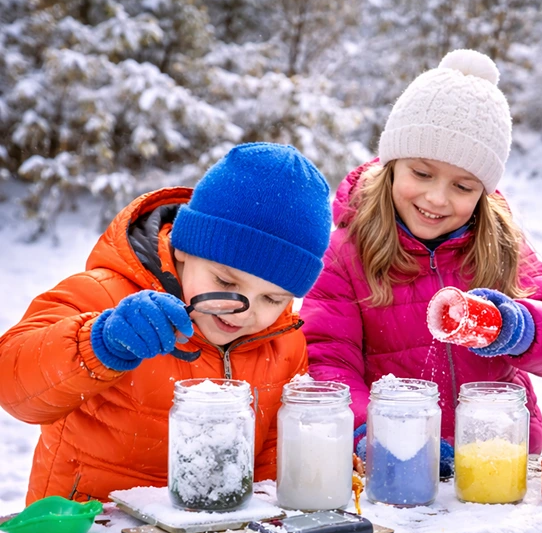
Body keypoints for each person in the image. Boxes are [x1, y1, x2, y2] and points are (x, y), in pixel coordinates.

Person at [301, 49, 542, 465]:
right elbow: (328, 362)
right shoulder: (345, 255)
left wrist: (516, 327)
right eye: (422, 173)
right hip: (398, 459)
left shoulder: (499, 245)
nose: (437, 198)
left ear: (483, 192)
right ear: (392, 165)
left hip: (497, 456)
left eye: (463, 186)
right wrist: (377, 435)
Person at [0, 143, 332, 503]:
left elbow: (270, 468)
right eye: (225, 282)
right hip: (90, 525)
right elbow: (12, 386)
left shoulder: (284, 342)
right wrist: (99, 343)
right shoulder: (104, 296)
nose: (242, 311)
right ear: (184, 247)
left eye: (272, 299)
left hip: (214, 531)